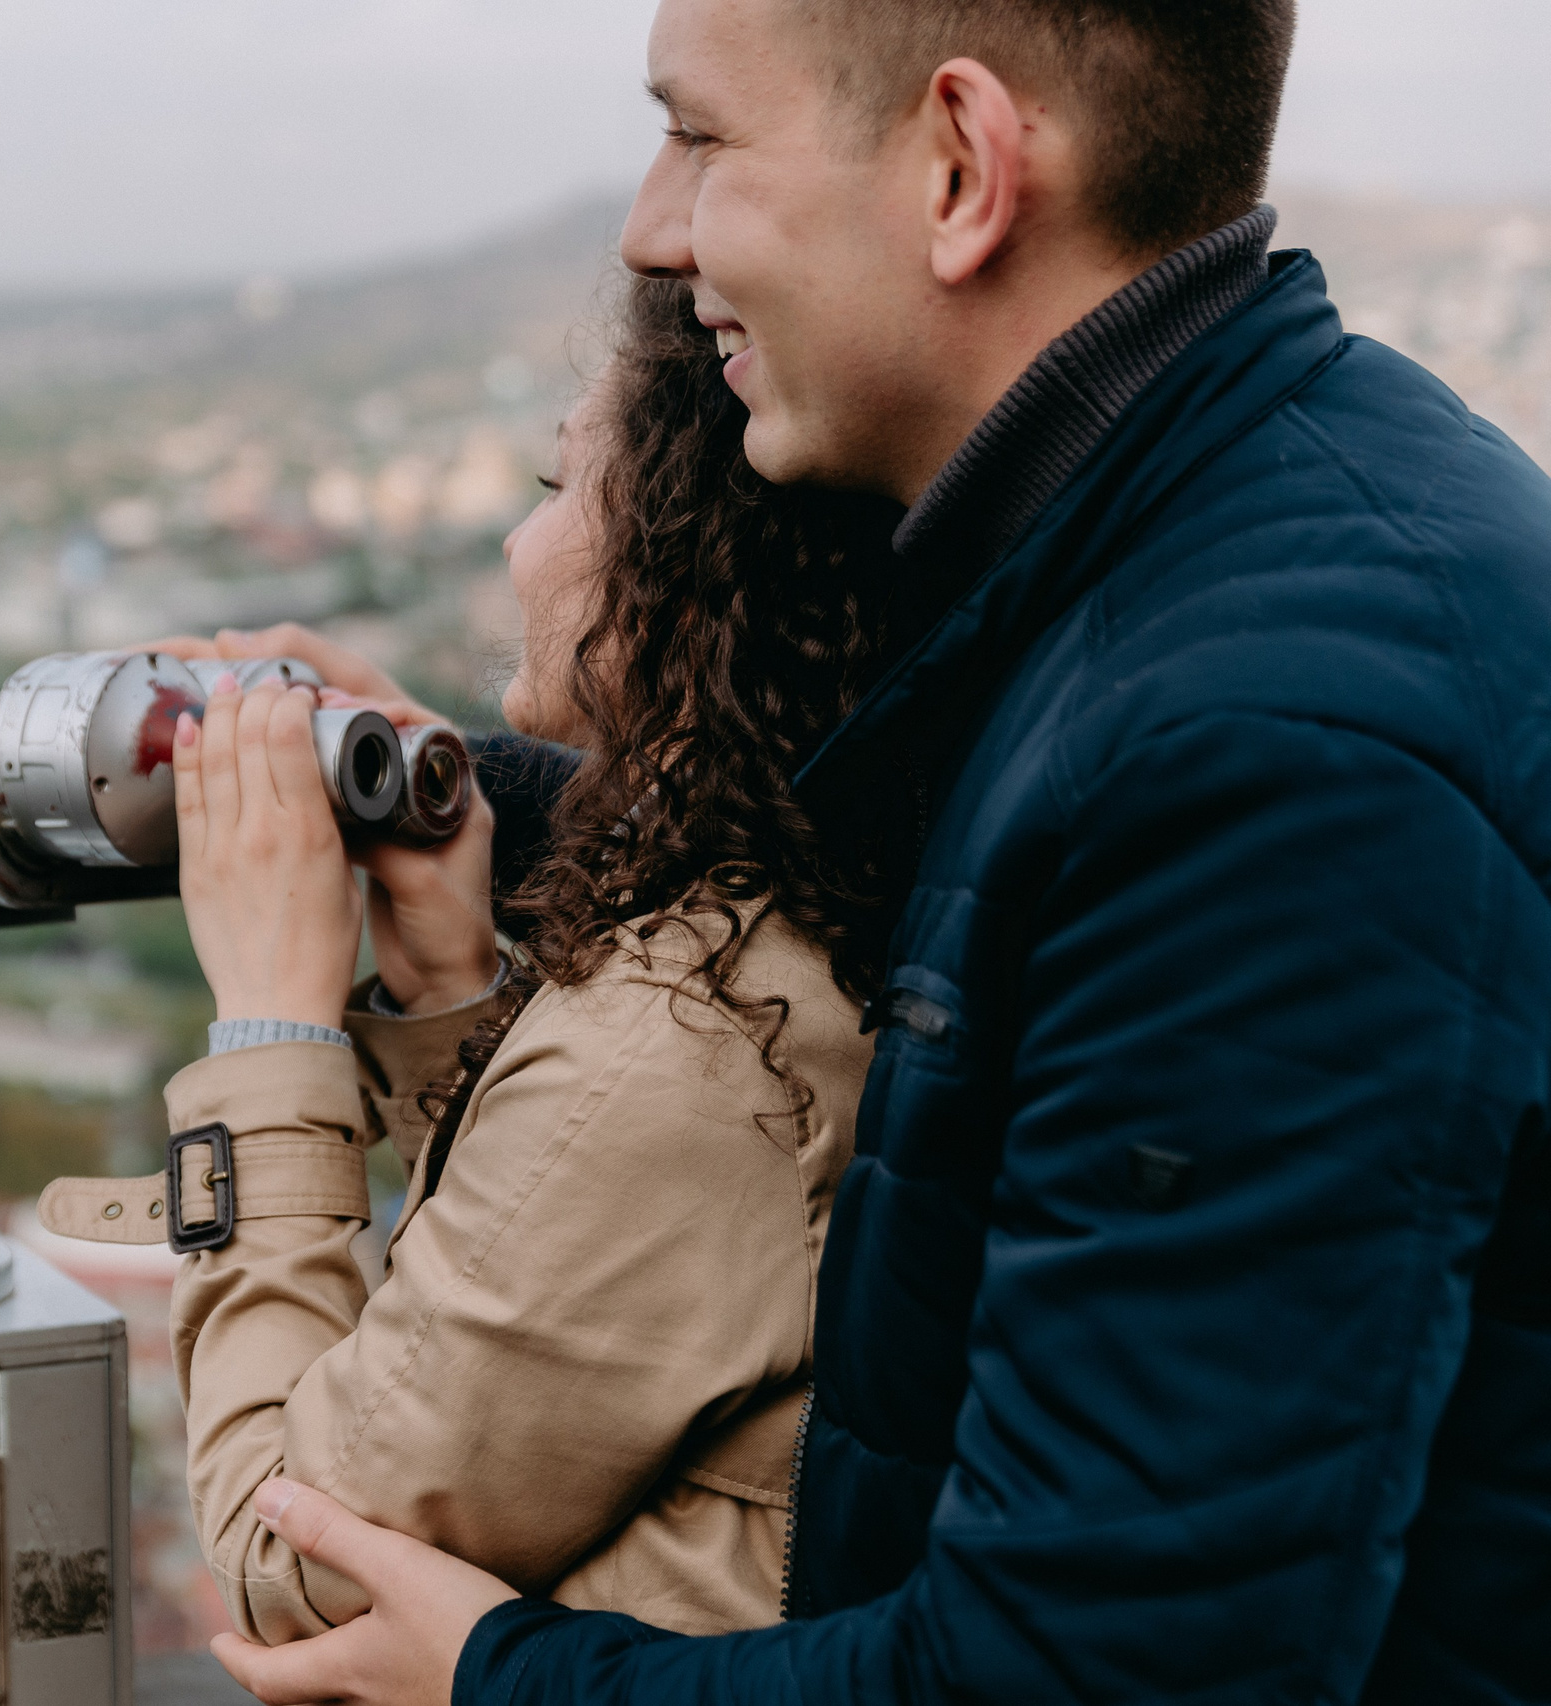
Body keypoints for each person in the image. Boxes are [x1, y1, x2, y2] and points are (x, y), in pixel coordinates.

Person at [196, 1, 1551, 1703]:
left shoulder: (1267, 754)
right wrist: (465, 794)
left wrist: (500, 1675)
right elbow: (913, 846)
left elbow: (1104, 1672)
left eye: (698, 137)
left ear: (963, 168)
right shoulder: (1230, 527)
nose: (648, 225)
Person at [36, 281, 915, 1641]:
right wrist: (452, 991)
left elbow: (291, 1554)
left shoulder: (692, 1037)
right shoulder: (803, 919)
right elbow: (564, 1315)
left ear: (680, 557)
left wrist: (271, 1025)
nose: (519, 539)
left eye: (561, 484)